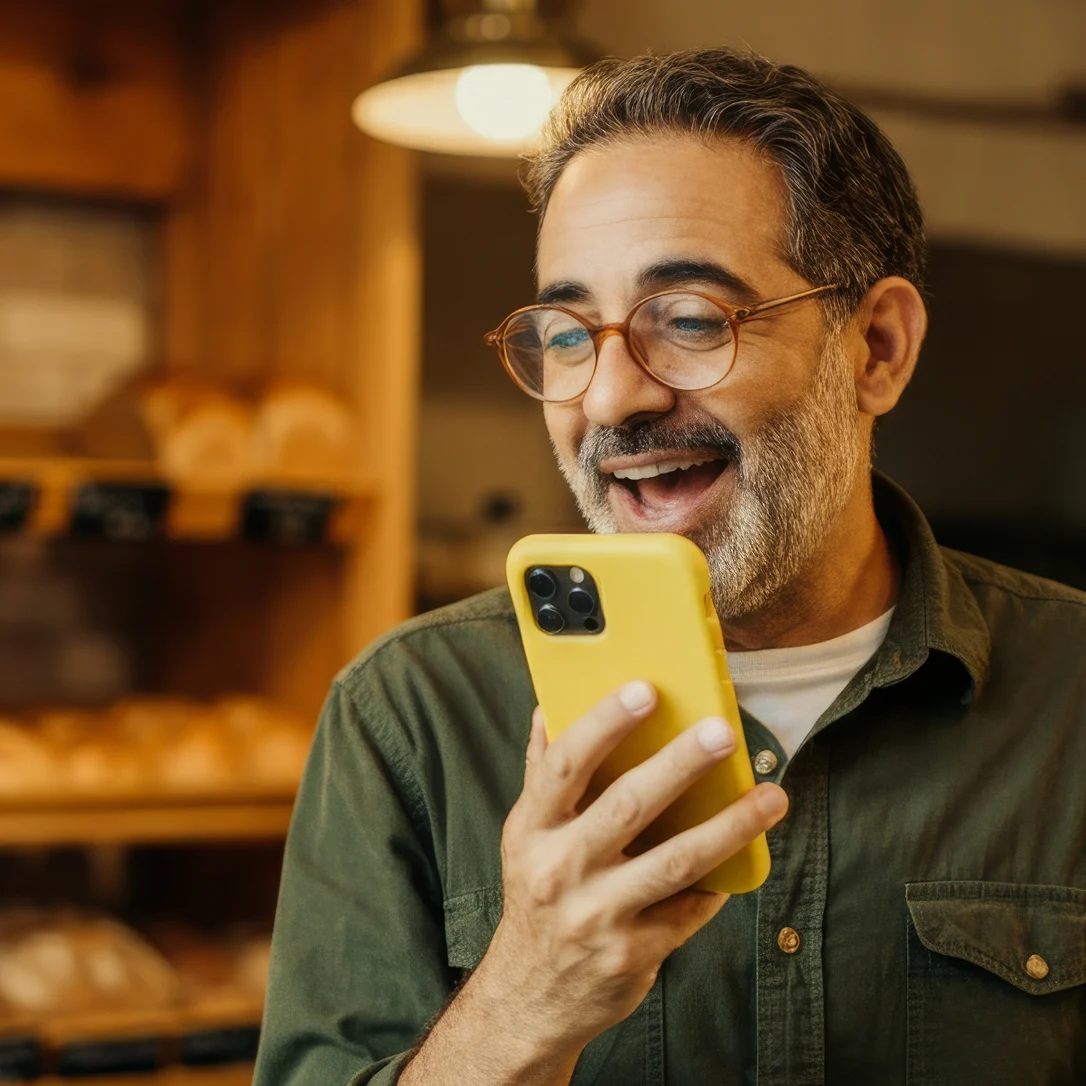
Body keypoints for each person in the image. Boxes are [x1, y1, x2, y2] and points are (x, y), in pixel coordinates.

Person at [253, 49, 1086, 1086]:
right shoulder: (409, 714)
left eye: (689, 320)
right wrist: (525, 1001)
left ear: (876, 348)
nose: (608, 400)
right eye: (566, 334)